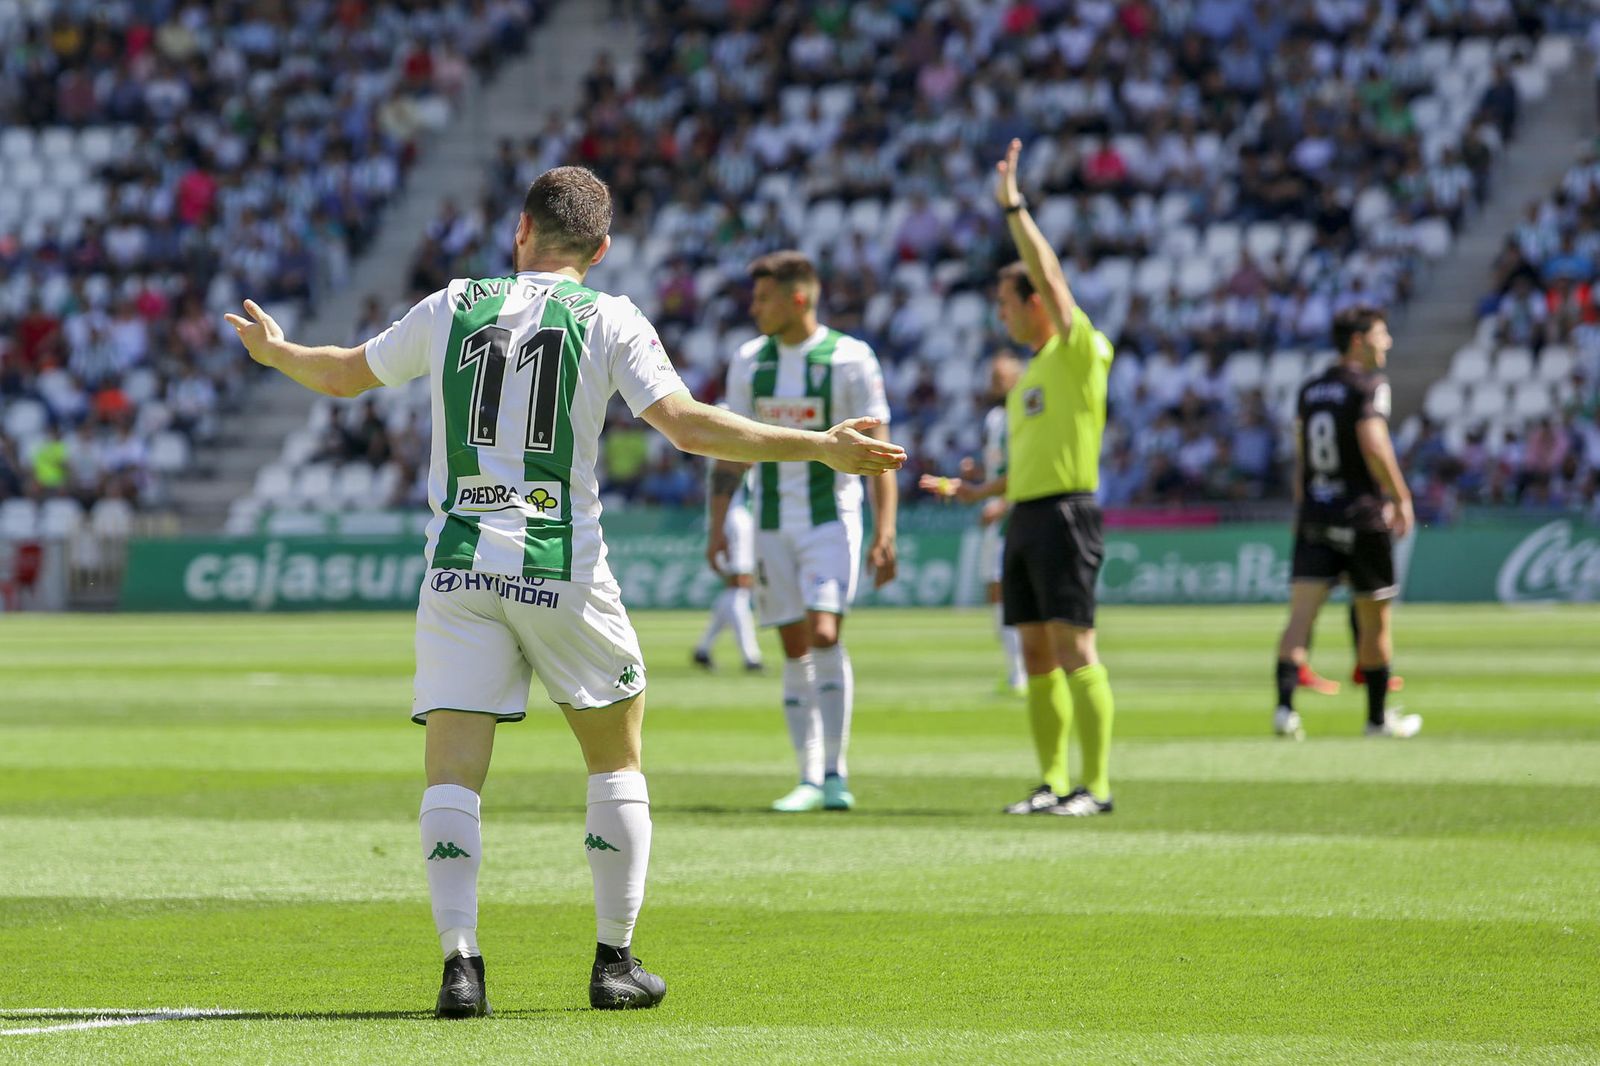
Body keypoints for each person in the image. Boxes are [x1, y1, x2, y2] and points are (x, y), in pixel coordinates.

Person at [224, 166, 905, 1018]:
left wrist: (276, 352)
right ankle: (614, 962)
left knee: (452, 772)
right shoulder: (610, 316)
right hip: (560, 564)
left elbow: (345, 374)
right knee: (615, 758)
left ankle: (460, 968)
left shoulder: (453, 303)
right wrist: (818, 447)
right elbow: (688, 426)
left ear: (522, 230)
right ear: (602, 248)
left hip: (459, 564)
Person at [919, 139, 1118, 818]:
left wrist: (1013, 207)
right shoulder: (1029, 376)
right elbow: (1024, 468)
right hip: (1026, 515)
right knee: (1035, 652)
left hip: (1067, 514)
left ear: (1036, 302)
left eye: (1006, 301)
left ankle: (1096, 787)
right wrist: (980, 490)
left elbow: (1051, 273)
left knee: (1074, 646)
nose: (999, 313)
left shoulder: (1077, 351)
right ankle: (1052, 782)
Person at [707, 250, 898, 814]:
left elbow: (880, 450)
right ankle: (808, 776)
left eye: (764, 298)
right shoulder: (749, 361)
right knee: (793, 646)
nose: (754, 308)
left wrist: (885, 530)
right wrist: (717, 525)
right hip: (768, 522)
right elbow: (732, 446)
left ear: (797, 299)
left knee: (824, 632)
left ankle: (835, 772)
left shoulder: (850, 358)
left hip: (829, 519)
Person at [1271, 305, 1420, 741]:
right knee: (1375, 621)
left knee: (1300, 617)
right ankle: (1377, 720)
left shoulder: (1310, 390)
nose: (1387, 341)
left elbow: (1303, 458)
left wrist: (1302, 510)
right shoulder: (1370, 385)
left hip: (1316, 514)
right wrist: (1401, 497)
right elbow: (1374, 444)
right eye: (1380, 334)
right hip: (1361, 515)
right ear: (1358, 340)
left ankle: (1284, 711)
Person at [971, 353, 1026, 696]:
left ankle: (1022, 672)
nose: (995, 383)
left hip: (1018, 514)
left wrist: (1002, 504)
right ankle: (1016, 669)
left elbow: (1029, 467)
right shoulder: (994, 420)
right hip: (998, 518)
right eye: (993, 377)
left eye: (1000, 377)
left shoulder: (1025, 415)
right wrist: (975, 475)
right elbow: (998, 469)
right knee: (996, 591)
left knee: (1009, 591)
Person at [692, 457, 764, 673]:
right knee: (739, 585)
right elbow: (744, 461)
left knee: (736, 589)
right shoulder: (726, 450)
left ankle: (703, 649)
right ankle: (751, 657)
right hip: (735, 517)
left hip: (733, 515)